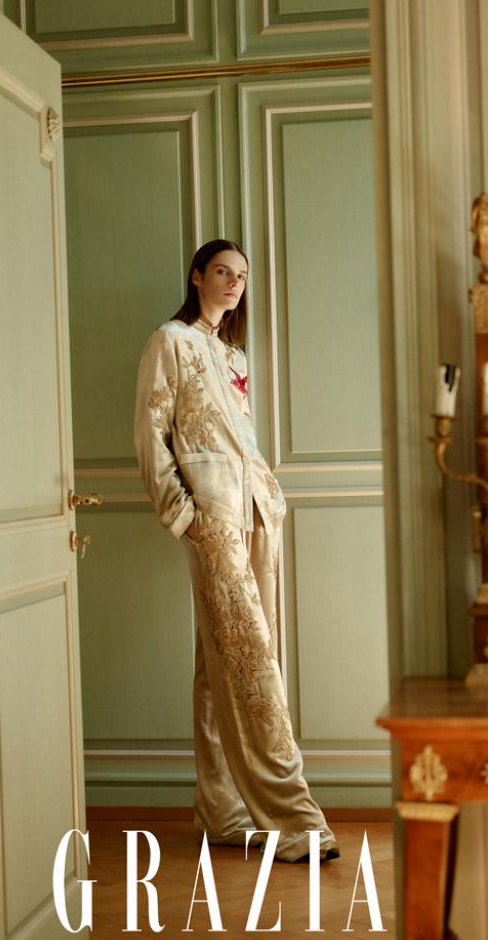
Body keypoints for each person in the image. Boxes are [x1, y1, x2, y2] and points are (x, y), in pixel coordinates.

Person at [134, 239, 338, 863]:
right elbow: (151, 433)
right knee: (251, 665)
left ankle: (221, 810)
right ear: (197, 276)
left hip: (257, 514)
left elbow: (240, 438)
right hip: (214, 521)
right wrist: (185, 517)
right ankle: (295, 820)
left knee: (220, 664)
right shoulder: (169, 341)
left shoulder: (230, 354)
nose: (233, 283)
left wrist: (269, 499)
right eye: (222, 271)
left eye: (241, 276)